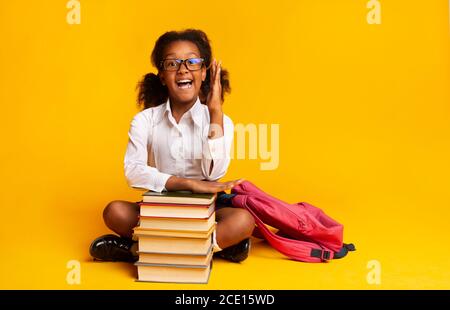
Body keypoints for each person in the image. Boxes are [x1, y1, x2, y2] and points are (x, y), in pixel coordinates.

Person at [89, 29, 255, 263]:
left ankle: (137, 249)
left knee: (243, 221)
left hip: (205, 213)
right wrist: (186, 183)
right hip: (160, 209)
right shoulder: (145, 120)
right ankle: (212, 248)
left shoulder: (221, 121)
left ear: (204, 73)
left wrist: (215, 111)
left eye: (192, 61)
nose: (183, 69)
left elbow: (215, 173)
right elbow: (133, 171)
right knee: (114, 211)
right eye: (172, 63)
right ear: (162, 76)